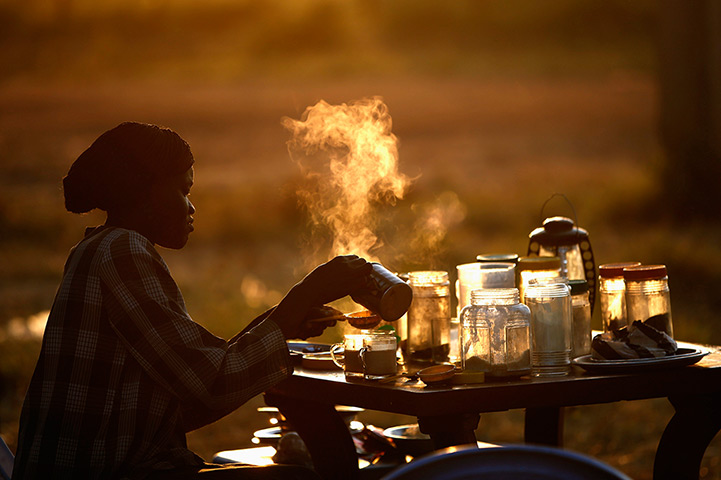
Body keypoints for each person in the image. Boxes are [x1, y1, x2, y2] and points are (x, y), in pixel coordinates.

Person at [12, 122, 372, 479]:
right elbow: (211, 386)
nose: (191, 207)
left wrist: (285, 320)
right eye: (184, 191)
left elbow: (191, 386)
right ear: (145, 191)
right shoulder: (122, 252)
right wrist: (308, 291)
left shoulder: (97, 248)